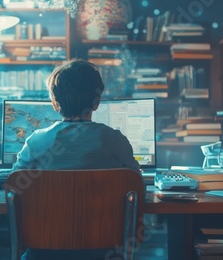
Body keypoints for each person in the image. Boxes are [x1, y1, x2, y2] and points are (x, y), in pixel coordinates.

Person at [12, 59, 141, 260]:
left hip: (43, 253)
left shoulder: (36, 142)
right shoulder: (115, 141)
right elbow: (137, 184)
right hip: (105, 252)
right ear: (97, 103)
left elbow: (14, 186)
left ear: (55, 103)